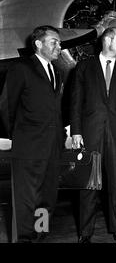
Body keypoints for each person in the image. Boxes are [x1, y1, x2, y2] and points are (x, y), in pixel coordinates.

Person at [71, 27, 116, 243]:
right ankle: (85, 233)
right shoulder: (83, 68)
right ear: (107, 40)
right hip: (90, 134)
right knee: (89, 185)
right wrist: (76, 131)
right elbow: (75, 103)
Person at [7, 25, 63, 242]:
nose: (59, 46)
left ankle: (40, 236)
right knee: (25, 200)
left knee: (46, 199)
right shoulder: (21, 68)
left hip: (52, 147)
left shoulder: (56, 72)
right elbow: (7, 105)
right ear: (38, 44)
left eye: (59, 43)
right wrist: (14, 135)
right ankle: (23, 239)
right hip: (28, 145)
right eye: (54, 42)